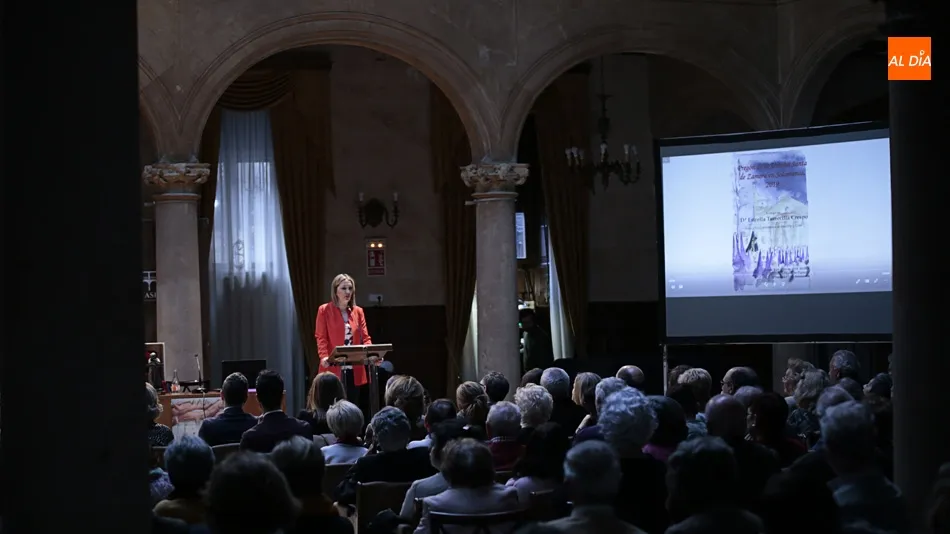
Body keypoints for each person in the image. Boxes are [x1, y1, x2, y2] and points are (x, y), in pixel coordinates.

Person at [315, 273, 373, 410]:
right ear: (335, 291)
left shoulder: (358, 311)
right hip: (333, 366)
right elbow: (321, 337)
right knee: (332, 406)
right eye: (343, 288)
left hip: (354, 367)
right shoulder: (324, 310)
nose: (348, 292)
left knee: (352, 405)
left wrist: (372, 353)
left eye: (350, 288)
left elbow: (365, 337)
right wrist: (323, 356)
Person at [198, 372, 259, 446]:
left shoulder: (208, 427)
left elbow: (199, 455)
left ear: (222, 395)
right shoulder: (256, 424)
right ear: (246, 397)